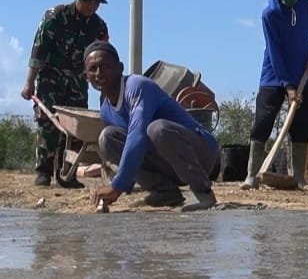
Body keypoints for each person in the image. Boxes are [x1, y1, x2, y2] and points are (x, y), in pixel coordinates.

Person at [86, 41, 220, 212]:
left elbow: (137, 135)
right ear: (86, 75)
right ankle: (165, 192)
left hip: (202, 155)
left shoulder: (137, 86)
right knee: (107, 138)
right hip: (167, 163)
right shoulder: (106, 109)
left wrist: (118, 185)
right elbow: (130, 148)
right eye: (93, 69)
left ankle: (203, 192)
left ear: (120, 68)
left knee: (157, 129)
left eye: (105, 67)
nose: (99, 73)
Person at [21, 0, 111, 187]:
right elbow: (38, 50)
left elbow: (104, 59)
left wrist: (105, 88)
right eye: (88, 1)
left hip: (78, 81)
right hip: (51, 77)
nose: (92, 6)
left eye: (96, 3)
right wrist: (29, 82)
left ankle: (66, 174)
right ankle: (43, 171)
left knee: (76, 131)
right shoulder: (56, 16)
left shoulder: (98, 27)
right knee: (48, 124)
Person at [241, 0, 308, 191]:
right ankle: (251, 175)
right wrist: (288, 86)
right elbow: (275, 50)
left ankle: (299, 178)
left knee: (302, 125)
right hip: (274, 76)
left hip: (303, 74)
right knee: (262, 122)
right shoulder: (270, 13)